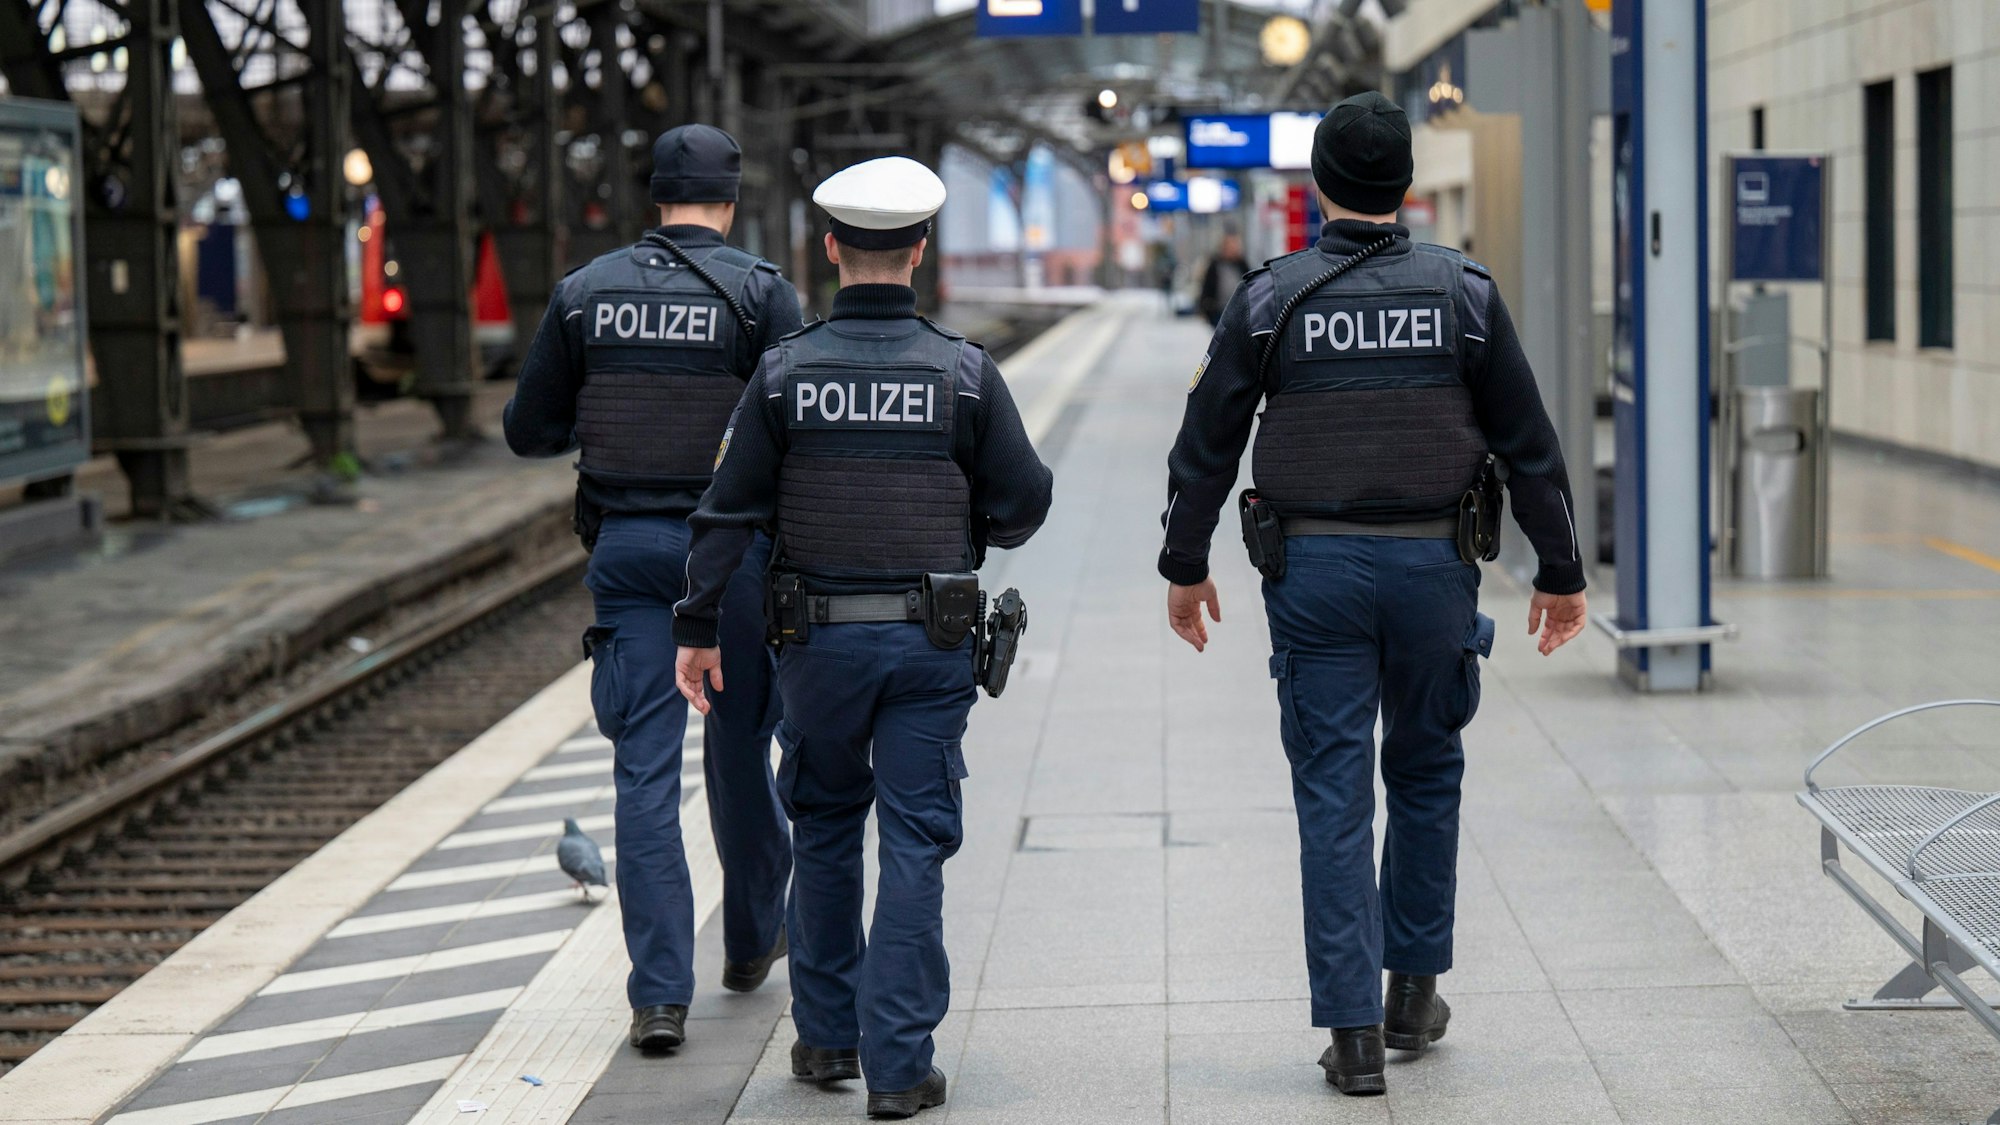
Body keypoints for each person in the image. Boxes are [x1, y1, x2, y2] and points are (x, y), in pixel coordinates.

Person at [1155, 91, 1589, 1096]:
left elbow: (1203, 447)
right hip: (1434, 570)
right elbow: (1530, 448)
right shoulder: (1464, 295)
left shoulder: (1269, 298)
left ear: (1317, 187)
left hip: (1312, 575)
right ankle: (1411, 993)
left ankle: (1352, 1035)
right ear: (1404, 186)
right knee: (1426, 773)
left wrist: (1184, 564)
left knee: (1331, 791)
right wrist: (1560, 575)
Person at [671, 156, 1053, 1120]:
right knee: (917, 840)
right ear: (919, 250)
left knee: (829, 824)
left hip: (817, 649)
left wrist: (699, 623)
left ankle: (826, 1037)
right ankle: (898, 1064)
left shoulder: (785, 372)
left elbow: (726, 511)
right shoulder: (964, 372)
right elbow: (1027, 497)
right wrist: (973, 530)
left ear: (833, 249)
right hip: (930, 648)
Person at [503, 123, 801, 1054]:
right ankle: (752, 939)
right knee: (740, 747)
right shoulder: (760, 294)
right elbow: (795, 426)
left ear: (654, 196)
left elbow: (528, 428)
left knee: (642, 770)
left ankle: (659, 996)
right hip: (733, 557)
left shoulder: (586, 293)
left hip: (628, 552)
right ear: (732, 198)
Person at [1196, 230, 1249, 326]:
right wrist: (1203, 308)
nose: (1234, 248)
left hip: (1239, 310)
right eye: (1231, 245)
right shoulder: (1215, 264)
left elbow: (1250, 282)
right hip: (1218, 310)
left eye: (1236, 245)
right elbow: (1206, 286)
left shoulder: (1242, 264)